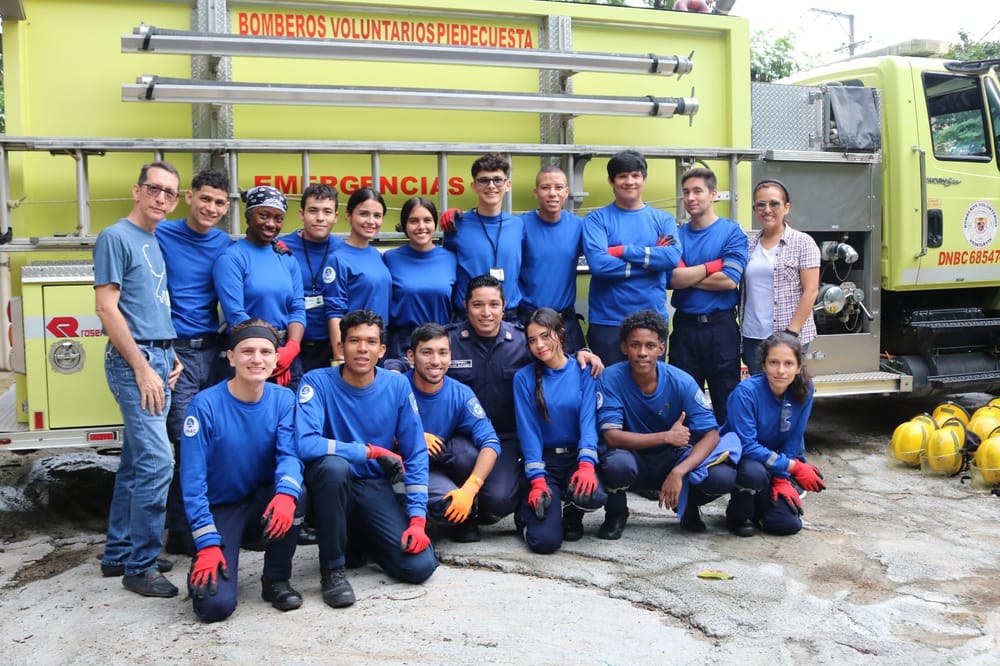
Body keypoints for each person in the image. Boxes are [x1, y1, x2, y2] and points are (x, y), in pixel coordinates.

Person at [387, 275, 603, 526]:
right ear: (466, 306)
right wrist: (392, 371)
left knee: (499, 500)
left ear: (504, 306)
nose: (486, 312)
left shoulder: (523, 340)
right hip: (460, 435)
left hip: (505, 437)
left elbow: (552, 354)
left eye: (493, 305)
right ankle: (455, 502)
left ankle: (507, 493)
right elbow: (414, 360)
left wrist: (582, 355)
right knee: (464, 457)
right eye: (478, 305)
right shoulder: (450, 340)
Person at [296, 310, 436, 609]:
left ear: (382, 350)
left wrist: (418, 521)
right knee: (334, 468)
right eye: (354, 341)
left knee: (419, 567)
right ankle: (332, 570)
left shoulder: (397, 386)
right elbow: (306, 444)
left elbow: (415, 453)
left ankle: (359, 540)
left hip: (373, 485)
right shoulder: (316, 382)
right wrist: (368, 451)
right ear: (340, 346)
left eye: (371, 342)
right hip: (333, 485)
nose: (362, 349)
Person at [94, 161, 184, 597]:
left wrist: (169, 354)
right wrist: (144, 366)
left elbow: (150, 302)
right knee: (158, 462)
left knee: (134, 463)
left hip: (160, 355)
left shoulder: (152, 238)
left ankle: (119, 554)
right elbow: (107, 308)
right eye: (155, 189)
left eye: (170, 192)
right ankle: (141, 566)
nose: (162, 198)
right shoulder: (116, 237)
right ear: (137, 190)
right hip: (137, 362)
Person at [180, 319, 305, 622]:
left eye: (265, 351)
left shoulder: (284, 399)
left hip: (264, 502)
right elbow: (192, 483)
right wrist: (208, 544)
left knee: (298, 493)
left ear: (277, 359)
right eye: (247, 351)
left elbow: (290, 454)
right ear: (231, 357)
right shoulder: (204, 406)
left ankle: (276, 580)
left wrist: (287, 495)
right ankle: (206, 559)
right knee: (214, 608)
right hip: (222, 508)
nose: (257, 359)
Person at [596, 310, 739, 540]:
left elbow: (711, 435)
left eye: (650, 346)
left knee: (722, 477)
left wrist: (679, 472)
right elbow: (611, 436)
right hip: (634, 457)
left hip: (673, 457)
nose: (642, 353)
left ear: (661, 349)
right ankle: (616, 512)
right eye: (635, 345)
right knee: (616, 464)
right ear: (624, 347)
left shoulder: (681, 380)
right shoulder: (610, 378)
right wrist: (666, 436)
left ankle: (687, 505)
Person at [156, 167, 234, 557]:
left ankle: (212, 523)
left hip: (215, 353)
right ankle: (181, 534)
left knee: (217, 441)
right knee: (188, 443)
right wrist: (159, 345)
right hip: (177, 356)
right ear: (189, 197)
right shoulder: (161, 235)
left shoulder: (224, 243)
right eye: (205, 199)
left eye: (220, 202)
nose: (212, 207)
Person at [514, 308, 607, 553]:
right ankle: (525, 516)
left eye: (545, 336)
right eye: (532, 340)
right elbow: (529, 431)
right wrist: (537, 480)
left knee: (594, 495)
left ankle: (571, 511)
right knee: (545, 543)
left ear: (561, 333)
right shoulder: (523, 378)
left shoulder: (584, 370)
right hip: (546, 463)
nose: (540, 345)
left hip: (576, 458)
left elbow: (588, 420)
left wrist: (586, 464)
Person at [582, 150, 682, 365]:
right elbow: (599, 265)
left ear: (644, 179)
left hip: (651, 323)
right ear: (611, 181)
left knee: (650, 392)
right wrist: (652, 263)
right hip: (608, 323)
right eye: (622, 176)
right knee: (609, 392)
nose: (630, 181)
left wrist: (622, 250)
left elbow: (671, 257)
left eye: (635, 175)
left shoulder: (663, 220)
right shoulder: (596, 220)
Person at [721, 332, 825, 536]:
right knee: (753, 472)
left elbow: (794, 438)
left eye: (788, 364)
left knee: (786, 525)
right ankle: (738, 513)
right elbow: (747, 445)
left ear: (798, 367)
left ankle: (761, 504)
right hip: (743, 459)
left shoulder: (805, 389)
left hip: (773, 461)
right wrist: (792, 466)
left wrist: (781, 478)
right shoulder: (746, 392)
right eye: (774, 362)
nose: (780, 370)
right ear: (763, 364)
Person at [404, 323, 500, 543]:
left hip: (437, 467)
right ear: (411, 356)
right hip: (402, 468)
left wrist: (470, 489)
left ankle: (466, 513)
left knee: (467, 454)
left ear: (450, 356)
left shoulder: (460, 393)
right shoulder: (396, 386)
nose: (436, 361)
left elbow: (491, 442)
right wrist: (411, 437)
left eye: (442, 352)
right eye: (427, 352)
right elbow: (370, 433)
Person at [668, 167, 748, 425]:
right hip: (684, 329)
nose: (690, 198)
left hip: (720, 329)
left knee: (727, 402)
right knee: (685, 402)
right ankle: (691, 460)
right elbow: (672, 279)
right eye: (686, 192)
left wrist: (688, 277)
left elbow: (728, 280)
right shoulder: (676, 235)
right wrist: (710, 267)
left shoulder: (732, 232)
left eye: (697, 191)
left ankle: (729, 458)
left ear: (713, 194)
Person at [213, 186, 306, 389]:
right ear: (248, 216)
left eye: (278, 218)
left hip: (287, 357)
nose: (271, 224)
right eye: (263, 215)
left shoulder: (287, 258)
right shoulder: (232, 258)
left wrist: (291, 348)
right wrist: (267, 353)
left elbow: (298, 308)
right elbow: (236, 314)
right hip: (251, 355)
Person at [741, 179, 820, 374]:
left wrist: (791, 333)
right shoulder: (749, 245)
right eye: (761, 205)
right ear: (754, 209)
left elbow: (811, 290)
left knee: (788, 394)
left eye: (774, 204)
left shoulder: (803, 242)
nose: (767, 209)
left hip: (788, 336)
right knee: (760, 392)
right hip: (753, 336)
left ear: (786, 207)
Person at [440, 152, 525, 319]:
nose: (491, 186)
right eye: (484, 180)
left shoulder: (519, 225)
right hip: (467, 317)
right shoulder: (457, 225)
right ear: (474, 186)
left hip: (509, 316)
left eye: (497, 180)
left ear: (508, 185)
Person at [517, 165, 587, 354]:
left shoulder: (579, 226)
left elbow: (602, 254)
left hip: (565, 321)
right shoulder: (519, 226)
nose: (552, 193)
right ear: (536, 192)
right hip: (528, 321)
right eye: (546, 187)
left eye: (558, 187)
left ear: (566, 192)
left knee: (574, 377)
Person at [278, 183, 343, 372]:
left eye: (327, 212)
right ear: (301, 213)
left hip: (331, 345)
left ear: (336, 216)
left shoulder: (343, 250)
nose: (320, 218)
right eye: (313, 210)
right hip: (290, 344)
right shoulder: (281, 248)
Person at [383, 197, 457, 360]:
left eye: (427, 220)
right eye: (414, 221)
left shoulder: (451, 258)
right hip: (402, 345)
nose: (421, 226)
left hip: (440, 343)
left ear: (435, 223)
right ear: (405, 225)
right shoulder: (390, 258)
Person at [327, 188, 392, 360]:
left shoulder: (377, 255)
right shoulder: (337, 258)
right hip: (355, 347)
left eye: (377, 216)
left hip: (378, 345)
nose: (371, 221)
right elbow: (334, 313)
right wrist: (340, 358)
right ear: (349, 216)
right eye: (364, 214)